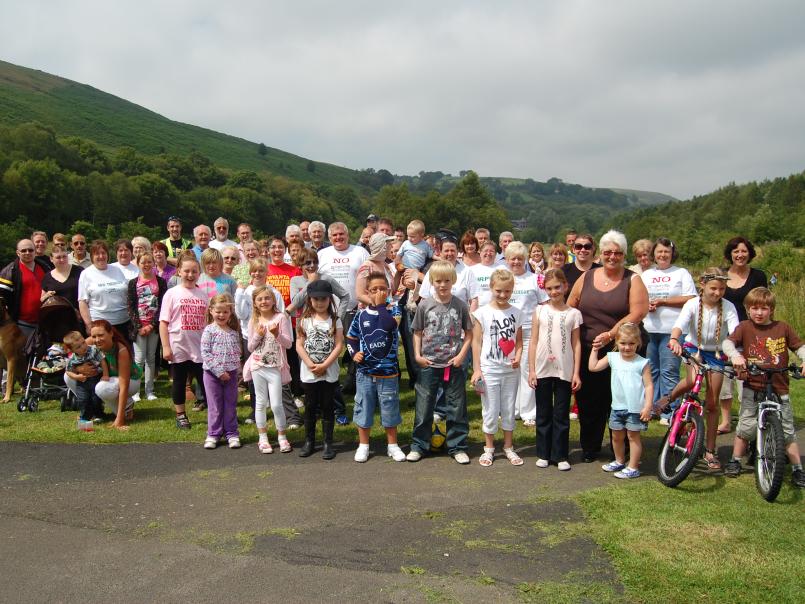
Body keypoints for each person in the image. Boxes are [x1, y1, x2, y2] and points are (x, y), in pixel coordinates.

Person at [568, 230, 649, 463]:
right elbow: (572, 305)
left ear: (623, 255)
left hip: (622, 349)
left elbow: (638, 312)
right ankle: (590, 447)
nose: (612, 257)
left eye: (617, 253)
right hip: (588, 348)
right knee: (589, 399)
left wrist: (611, 334)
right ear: (600, 254)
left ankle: (622, 448)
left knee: (622, 397)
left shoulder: (632, 279)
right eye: (607, 252)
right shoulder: (587, 277)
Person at [722, 287, 805, 487]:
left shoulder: (782, 327)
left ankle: (797, 468)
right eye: (754, 308)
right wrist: (736, 356)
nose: (759, 312)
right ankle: (735, 460)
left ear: (772, 310)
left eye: (764, 308)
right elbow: (727, 343)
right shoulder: (744, 327)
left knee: (786, 429)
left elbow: (800, 347)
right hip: (753, 384)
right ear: (748, 309)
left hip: (779, 386)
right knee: (746, 425)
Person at [668, 268, 739, 470]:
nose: (717, 293)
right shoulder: (692, 304)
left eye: (722, 289)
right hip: (694, 349)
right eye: (713, 288)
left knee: (711, 403)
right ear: (703, 285)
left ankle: (710, 450)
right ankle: (667, 399)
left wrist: (736, 351)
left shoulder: (729, 307)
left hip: (717, 353)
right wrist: (674, 339)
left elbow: (735, 331)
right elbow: (679, 325)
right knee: (692, 381)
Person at [408, 261, 473, 464]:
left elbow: (469, 333)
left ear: (453, 281)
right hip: (429, 364)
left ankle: (458, 446)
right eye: (438, 281)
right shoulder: (425, 305)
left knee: (456, 406)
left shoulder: (460, 305)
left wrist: (462, 355)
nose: (442, 285)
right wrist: (417, 355)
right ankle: (419, 445)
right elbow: (417, 332)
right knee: (424, 407)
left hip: (453, 364)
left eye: (447, 281)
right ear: (432, 282)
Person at [346, 273, 405, 463]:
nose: (379, 292)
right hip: (365, 373)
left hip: (388, 373)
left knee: (390, 409)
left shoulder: (394, 310)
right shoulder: (360, 315)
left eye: (383, 289)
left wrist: (381, 305)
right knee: (364, 407)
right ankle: (363, 445)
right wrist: (354, 353)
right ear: (367, 292)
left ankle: (392, 445)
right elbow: (351, 338)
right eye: (374, 289)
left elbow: (389, 326)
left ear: (389, 291)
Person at [528, 269, 582, 471]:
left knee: (560, 414)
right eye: (549, 288)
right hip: (542, 369)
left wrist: (576, 372)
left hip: (564, 370)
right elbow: (533, 341)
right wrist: (532, 370)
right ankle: (543, 453)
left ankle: (560, 455)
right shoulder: (539, 311)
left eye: (557, 287)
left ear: (565, 286)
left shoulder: (574, 314)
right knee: (543, 413)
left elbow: (576, 344)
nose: (553, 292)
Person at [471, 269, 524, 467]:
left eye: (507, 291)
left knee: (509, 409)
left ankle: (509, 447)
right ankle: (489, 448)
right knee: (491, 410)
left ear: (512, 290)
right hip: (489, 369)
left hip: (510, 371)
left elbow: (518, 342)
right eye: (499, 291)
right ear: (491, 288)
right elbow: (476, 342)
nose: (503, 295)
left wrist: (518, 356)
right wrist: (477, 369)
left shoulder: (517, 313)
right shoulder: (482, 313)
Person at [640, 238, 696, 424]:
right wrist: (645, 304)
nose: (663, 255)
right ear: (653, 254)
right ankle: (654, 407)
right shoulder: (646, 274)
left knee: (669, 371)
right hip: (649, 330)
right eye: (659, 252)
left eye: (666, 252)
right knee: (652, 370)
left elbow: (691, 298)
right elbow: (639, 296)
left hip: (672, 331)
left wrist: (664, 302)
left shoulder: (681, 273)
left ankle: (670, 410)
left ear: (672, 254)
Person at [589, 323, 653, 479]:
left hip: (635, 408)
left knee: (633, 437)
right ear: (616, 343)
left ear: (638, 343)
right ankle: (619, 461)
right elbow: (593, 367)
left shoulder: (642, 362)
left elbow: (649, 385)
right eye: (623, 343)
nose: (627, 347)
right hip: (617, 407)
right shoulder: (612, 357)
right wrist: (595, 349)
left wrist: (647, 406)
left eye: (631, 343)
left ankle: (633, 467)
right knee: (616, 437)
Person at [720, 236, 768, 433]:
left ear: (749, 253)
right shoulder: (721, 275)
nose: (740, 255)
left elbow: (764, 302)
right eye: (736, 251)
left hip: (750, 332)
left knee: (747, 377)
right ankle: (725, 421)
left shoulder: (758, 276)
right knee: (725, 379)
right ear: (730, 254)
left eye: (743, 251)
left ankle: (746, 420)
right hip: (724, 333)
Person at [159, 252, 208, 430]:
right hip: (179, 344)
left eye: (194, 271)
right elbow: (163, 323)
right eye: (186, 271)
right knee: (179, 381)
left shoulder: (203, 295)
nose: (190, 274)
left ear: (199, 273)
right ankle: (181, 415)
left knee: (205, 381)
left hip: (199, 346)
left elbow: (208, 323)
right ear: (179, 271)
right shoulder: (172, 294)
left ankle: (215, 413)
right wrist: (166, 347)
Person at [297, 280, 344, 460]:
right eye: (315, 299)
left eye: (323, 299)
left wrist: (325, 365)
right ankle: (309, 441)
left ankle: (327, 442)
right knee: (310, 406)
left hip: (329, 371)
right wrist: (310, 364)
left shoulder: (335, 320)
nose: (319, 302)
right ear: (310, 300)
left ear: (329, 299)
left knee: (327, 406)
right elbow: (299, 345)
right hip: (309, 372)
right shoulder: (305, 320)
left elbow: (339, 345)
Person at [503, 241, 548, 427]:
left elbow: (544, 303)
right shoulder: (502, 278)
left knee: (528, 370)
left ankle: (529, 412)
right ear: (506, 260)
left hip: (530, 331)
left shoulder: (536, 279)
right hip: (506, 331)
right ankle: (511, 410)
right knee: (509, 370)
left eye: (520, 258)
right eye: (512, 258)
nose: (516, 262)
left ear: (526, 260)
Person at [246, 285, 293, 454]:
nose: (264, 301)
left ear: (273, 300)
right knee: (260, 403)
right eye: (260, 299)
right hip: (258, 366)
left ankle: (282, 436)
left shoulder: (281, 318)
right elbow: (250, 347)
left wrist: (276, 334)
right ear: (255, 303)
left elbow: (288, 343)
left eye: (267, 298)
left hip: (275, 367)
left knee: (276, 404)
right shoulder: (254, 321)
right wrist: (258, 334)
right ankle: (263, 437)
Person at [201, 294, 242, 450]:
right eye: (218, 311)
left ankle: (232, 433)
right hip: (212, 375)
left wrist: (236, 371)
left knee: (230, 404)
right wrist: (219, 371)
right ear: (211, 311)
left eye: (225, 312)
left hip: (230, 375)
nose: (221, 315)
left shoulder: (233, 332)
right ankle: (213, 434)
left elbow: (237, 352)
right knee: (215, 406)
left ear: (230, 312)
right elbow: (205, 353)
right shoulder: (209, 331)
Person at [87, 320, 142, 430]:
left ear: (111, 333)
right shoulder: (92, 342)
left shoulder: (121, 350)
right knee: (68, 377)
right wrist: (79, 368)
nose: (97, 339)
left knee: (102, 388)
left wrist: (119, 420)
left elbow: (124, 385)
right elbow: (75, 348)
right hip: (111, 379)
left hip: (131, 382)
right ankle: (92, 412)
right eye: (94, 336)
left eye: (101, 335)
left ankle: (126, 407)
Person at [127, 252, 167, 402]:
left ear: (154, 263)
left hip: (154, 326)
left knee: (151, 358)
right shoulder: (133, 282)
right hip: (139, 327)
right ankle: (135, 391)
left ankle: (150, 390)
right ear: (138, 264)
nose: (146, 265)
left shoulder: (161, 282)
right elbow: (130, 306)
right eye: (143, 262)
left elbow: (163, 305)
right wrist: (139, 326)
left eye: (149, 262)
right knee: (138, 359)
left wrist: (152, 325)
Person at [77, 241, 131, 340]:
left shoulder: (117, 270)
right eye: (97, 253)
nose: (101, 256)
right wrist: (89, 325)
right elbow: (82, 302)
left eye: (103, 253)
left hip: (124, 322)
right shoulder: (86, 274)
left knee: (124, 352)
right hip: (101, 326)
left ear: (108, 255)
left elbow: (127, 294)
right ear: (92, 256)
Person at [0, 238, 51, 338]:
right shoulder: (10, 271)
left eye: (30, 250)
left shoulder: (45, 267)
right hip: (22, 323)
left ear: (35, 251)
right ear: (18, 253)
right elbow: (2, 298)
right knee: (23, 352)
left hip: (45, 321)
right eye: (23, 250)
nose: (27, 253)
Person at [63, 330, 108, 423]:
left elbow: (103, 361)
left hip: (96, 379)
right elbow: (68, 371)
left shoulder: (93, 350)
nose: (83, 346)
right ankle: (85, 416)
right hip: (82, 383)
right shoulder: (72, 359)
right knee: (83, 399)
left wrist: (105, 375)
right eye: (78, 347)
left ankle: (98, 414)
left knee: (96, 398)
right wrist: (77, 377)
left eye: (83, 342)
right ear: (73, 350)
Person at [394, 219, 433, 312]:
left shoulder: (425, 245)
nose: (410, 238)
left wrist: (439, 258)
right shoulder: (406, 243)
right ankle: (396, 295)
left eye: (412, 236)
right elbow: (399, 255)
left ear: (421, 235)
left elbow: (431, 255)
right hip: (405, 268)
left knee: (412, 284)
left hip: (417, 270)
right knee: (402, 279)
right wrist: (398, 264)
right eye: (408, 236)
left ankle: (411, 305)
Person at [469, 241, 498, 307]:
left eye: (492, 251)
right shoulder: (471, 270)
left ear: (496, 254)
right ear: (480, 252)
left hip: (495, 308)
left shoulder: (502, 269)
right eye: (486, 250)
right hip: (475, 308)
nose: (488, 253)